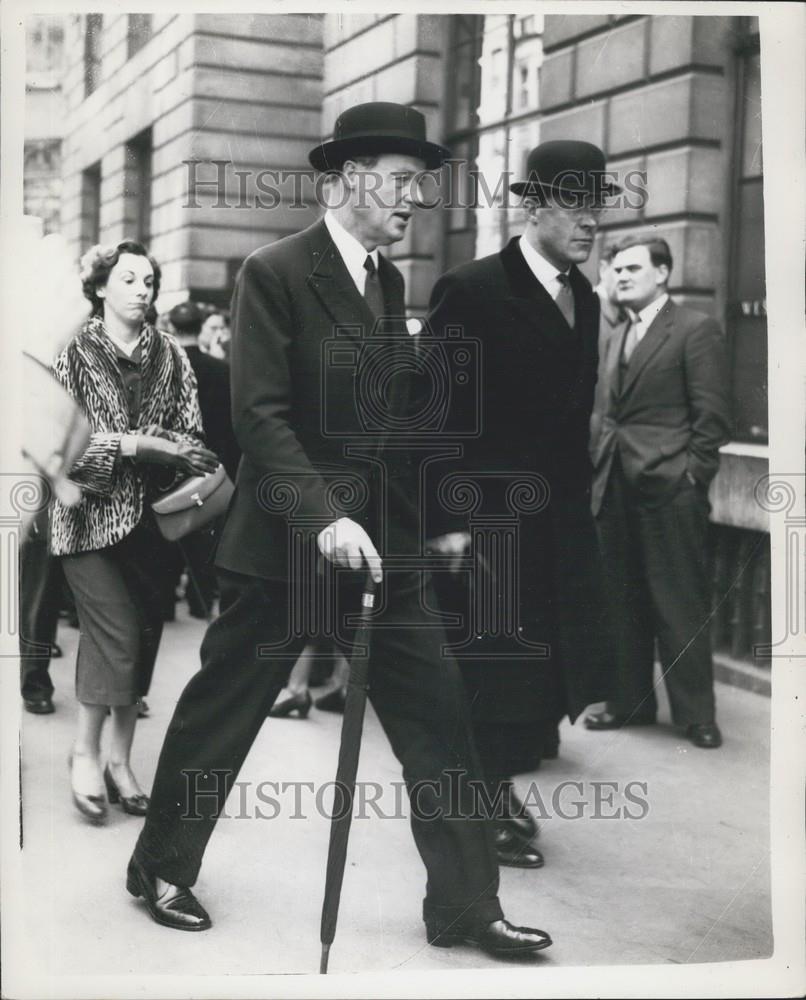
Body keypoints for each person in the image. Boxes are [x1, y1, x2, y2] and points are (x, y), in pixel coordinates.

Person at [128, 102, 550, 958]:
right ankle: (162, 868)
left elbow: (389, 428)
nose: (415, 199)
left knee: (439, 716)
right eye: (401, 182)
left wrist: (429, 526)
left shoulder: (387, 282)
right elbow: (261, 417)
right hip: (285, 542)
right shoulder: (274, 271)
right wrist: (323, 518)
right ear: (349, 181)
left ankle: (467, 905)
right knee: (223, 714)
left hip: (381, 550)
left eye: (421, 184)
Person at [425, 140, 616, 868]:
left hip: (558, 521)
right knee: (491, 665)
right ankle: (480, 807)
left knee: (534, 667)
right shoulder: (472, 290)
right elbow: (436, 416)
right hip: (488, 519)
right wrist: (445, 523)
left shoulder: (586, 299)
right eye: (574, 205)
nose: (590, 221)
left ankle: (495, 787)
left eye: (597, 206)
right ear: (533, 207)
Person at [50, 240, 219, 824]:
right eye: (126, 280)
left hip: (154, 519)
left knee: (145, 635)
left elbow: (190, 432)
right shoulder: (73, 354)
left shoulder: (171, 354)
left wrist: (176, 448)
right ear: (100, 288)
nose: (140, 290)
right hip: (87, 521)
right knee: (114, 633)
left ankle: (120, 761)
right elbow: (61, 447)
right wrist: (130, 443)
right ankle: (83, 754)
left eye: (148, 281)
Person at [584, 236, 730, 748]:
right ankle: (630, 705)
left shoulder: (694, 329)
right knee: (621, 601)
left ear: (663, 272)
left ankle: (696, 715)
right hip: (615, 485)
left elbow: (711, 416)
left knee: (679, 602)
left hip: (670, 488)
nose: (620, 277)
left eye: (632, 268)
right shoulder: (616, 333)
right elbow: (608, 412)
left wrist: (692, 476)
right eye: (616, 270)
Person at [163, 300, 241, 619]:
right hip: (212, 465)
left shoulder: (163, 369)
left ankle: (166, 602)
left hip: (171, 465)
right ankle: (201, 601)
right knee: (206, 538)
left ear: (172, 328)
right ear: (200, 327)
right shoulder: (222, 370)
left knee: (169, 533)